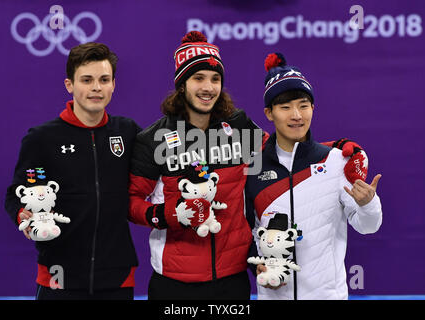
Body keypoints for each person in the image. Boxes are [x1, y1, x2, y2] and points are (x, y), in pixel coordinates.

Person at [127, 32, 367, 300]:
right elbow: (131, 202)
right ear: (181, 84)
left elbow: (284, 149)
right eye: (199, 78)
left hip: (233, 280)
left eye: (215, 79)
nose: (208, 87)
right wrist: (172, 214)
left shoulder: (238, 126)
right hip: (174, 283)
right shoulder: (154, 139)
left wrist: (340, 148)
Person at [5, 42, 141, 300]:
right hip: (58, 273)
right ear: (70, 85)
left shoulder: (128, 132)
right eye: (87, 80)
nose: (96, 88)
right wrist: (25, 216)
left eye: (104, 79)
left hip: (117, 276)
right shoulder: (41, 138)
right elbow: (16, 195)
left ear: (113, 84)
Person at [245, 52, 383, 300]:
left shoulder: (336, 161)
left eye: (303, 105)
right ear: (269, 113)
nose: (296, 115)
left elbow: (368, 227)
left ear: (313, 108)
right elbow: (246, 232)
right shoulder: (252, 167)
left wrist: (368, 203)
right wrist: (257, 265)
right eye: (285, 107)